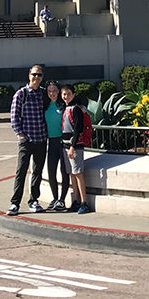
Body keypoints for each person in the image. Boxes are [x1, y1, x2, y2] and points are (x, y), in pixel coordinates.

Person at [7, 65, 47, 215]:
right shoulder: (21, 94)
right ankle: (15, 203)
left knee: (37, 171)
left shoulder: (43, 94)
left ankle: (33, 200)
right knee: (21, 171)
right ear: (29, 75)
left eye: (40, 75)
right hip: (27, 139)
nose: (37, 77)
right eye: (34, 74)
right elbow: (14, 116)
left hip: (41, 138)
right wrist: (20, 134)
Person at [60, 84, 90, 214]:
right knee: (72, 174)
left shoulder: (76, 109)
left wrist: (72, 147)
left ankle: (84, 202)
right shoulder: (65, 108)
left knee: (78, 174)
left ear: (73, 94)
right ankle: (76, 201)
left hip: (75, 146)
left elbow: (78, 128)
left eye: (68, 94)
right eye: (64, 94)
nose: (66, 96)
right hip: (66, 145)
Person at [44, 80, 69, 210]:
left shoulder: (63, 105)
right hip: (51, 142)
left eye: (54, 91)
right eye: (49, 91)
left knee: (64, 172)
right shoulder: (45, 105)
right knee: (51, 172)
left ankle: (62, 200)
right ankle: (55, 198)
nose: (52, 93)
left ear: (58, 91)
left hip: (63, 142)